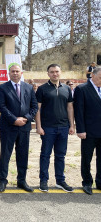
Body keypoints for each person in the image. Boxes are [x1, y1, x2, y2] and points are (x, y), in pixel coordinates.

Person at [0, 64, 38, 192]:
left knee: (23, 154)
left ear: (21, 73)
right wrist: (14, 120)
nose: (15, 73)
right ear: (9, 73)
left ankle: (22, 180)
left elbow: (34, 106)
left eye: (17, 71)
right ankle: (3, 181)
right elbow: (2, 107)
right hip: (8, 127)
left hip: (24, 127)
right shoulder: (2, 88)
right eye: (12, 71)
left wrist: (25, 118)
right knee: (5, 154)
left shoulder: (29, 88)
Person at [35, 63, 75, 192]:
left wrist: (71, 125)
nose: (54, 74)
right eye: (52, 72)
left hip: (63, 127)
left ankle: (60, 180)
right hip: (47, 128)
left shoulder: (66, 89)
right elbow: (38, 109)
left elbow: (70, 107)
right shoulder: (42, 89)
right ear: (48, 73)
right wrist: (39, 126)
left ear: (60, 72)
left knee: (60, 156)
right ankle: (44, 180)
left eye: (57, 71)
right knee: (45, 155)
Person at [74, 67, 101, 195]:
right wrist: (81, 130)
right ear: (93, 76)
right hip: (88, 132)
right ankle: (87, 182)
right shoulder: (82, 89)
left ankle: (100, 182)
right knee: (87, 159)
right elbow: (78, 111)